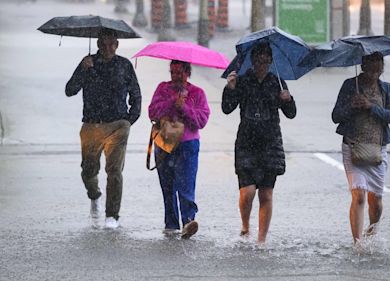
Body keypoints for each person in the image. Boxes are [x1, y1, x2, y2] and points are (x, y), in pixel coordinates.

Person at [65, 29, 141, 229]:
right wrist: (82, 70)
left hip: (117, 125)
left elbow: (136, 95)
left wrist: (128, 121)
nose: (108, 48)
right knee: (88, 169)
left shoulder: (124, 65)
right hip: (92, 124)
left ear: (117, 45)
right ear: (98, 44)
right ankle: (94, 194)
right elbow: (69, 90)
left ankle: (112, 215)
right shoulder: (88, 63)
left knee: (114, 170)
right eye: (104, 44)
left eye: (112, 44)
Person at [221, 41, 297, 244]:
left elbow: (291, 114)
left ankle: (261, 239)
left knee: (266, 193)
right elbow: (227, 108)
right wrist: (230, 88)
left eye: (265, 61)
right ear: (252, 62)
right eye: (258, 60)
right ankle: (245, 225)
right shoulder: (243, 81)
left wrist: (288, 100)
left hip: (270, 143)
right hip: (247, 141)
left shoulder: (278, 82)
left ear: (271, 61)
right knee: (247, 192)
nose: (262, 64)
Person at [331, 52, 390, 245]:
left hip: (378, 147)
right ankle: (357, 242)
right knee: (359, 194)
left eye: (378, 70)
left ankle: (372, 230)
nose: (374, 74)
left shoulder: (386, 89)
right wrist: (352, 106)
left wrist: (371, 107)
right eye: (371, 70)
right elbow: (336, 116)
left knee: (375, 200)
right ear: (363, 67)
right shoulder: (350, 86)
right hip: (353, 147)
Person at [148, 60, 210, 238]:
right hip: (164, 143)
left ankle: (188, 220)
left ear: (188, 72)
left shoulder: (197, 93)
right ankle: (171, 223)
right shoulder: (162, 89)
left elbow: (201, 120)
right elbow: (152, 112)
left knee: (186, 185)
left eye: (180, 72)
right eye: (173, 72)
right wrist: (171, 103)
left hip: (188, 144)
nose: (176, 76)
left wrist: (185, 108)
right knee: (167, 186)